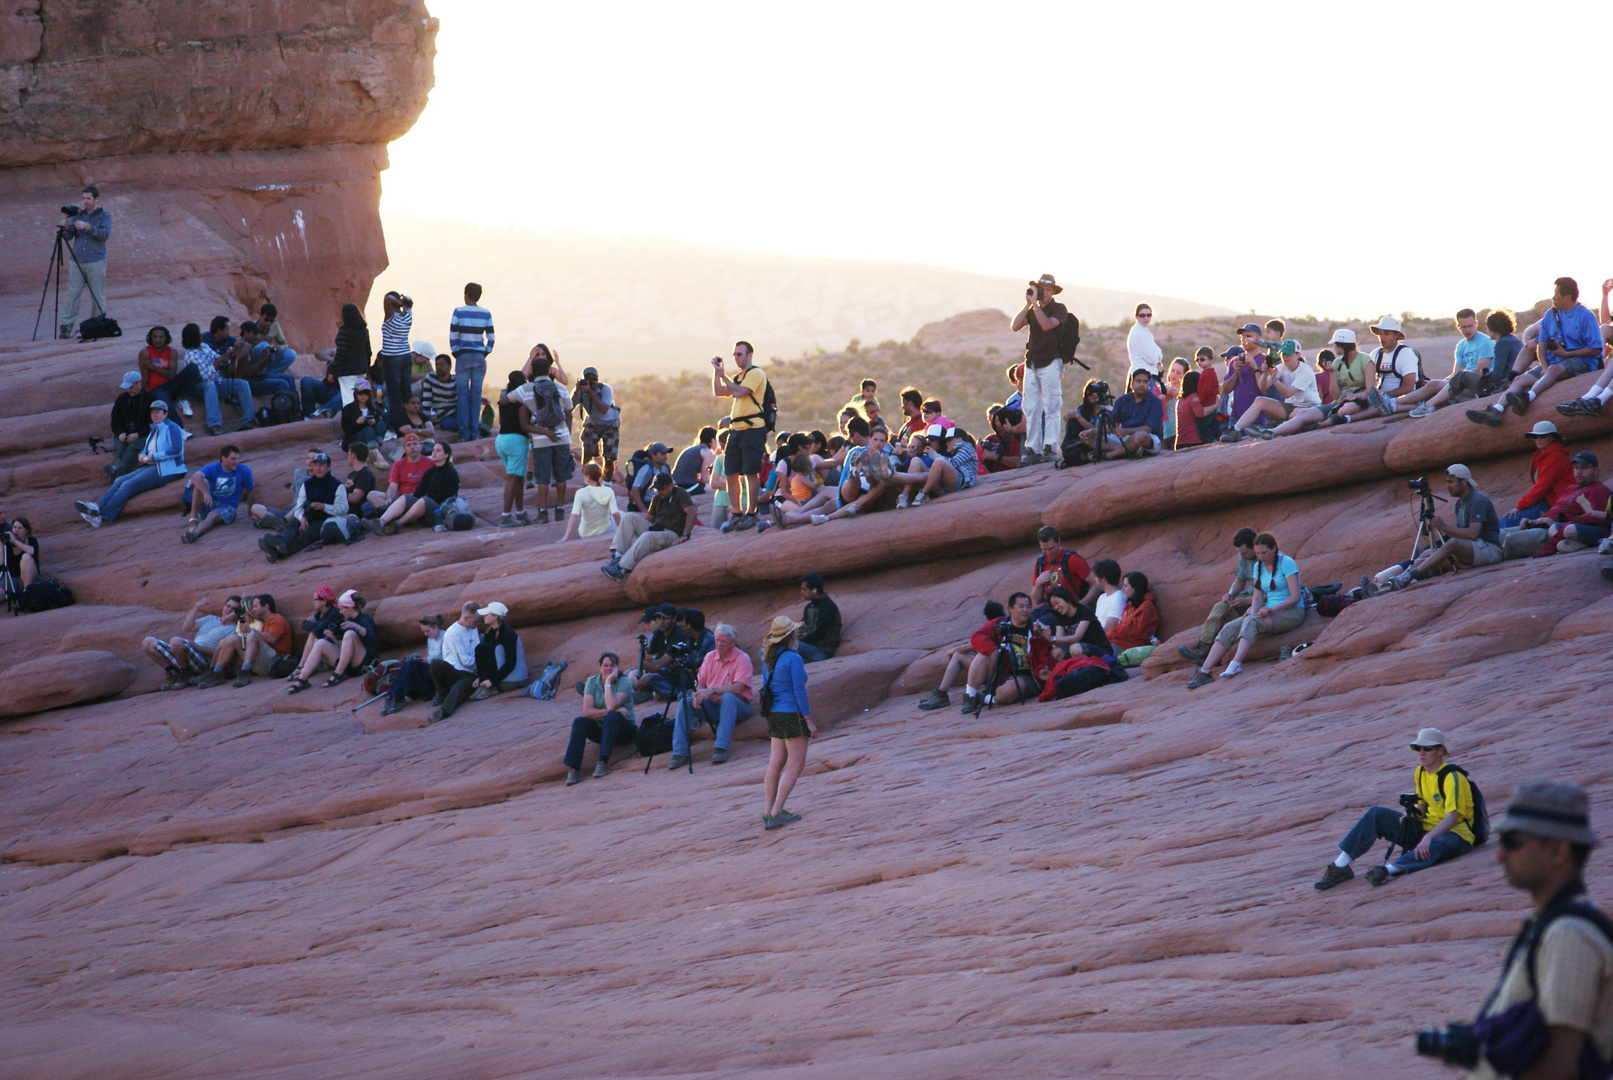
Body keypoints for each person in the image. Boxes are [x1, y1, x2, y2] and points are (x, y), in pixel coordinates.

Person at [1457, 781, 1610, 1080]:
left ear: (1556, 851)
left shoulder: (1569, 934)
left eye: (1513, 841)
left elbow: (1562, 1066)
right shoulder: (1554, 923)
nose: (1499, 855)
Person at [1313, 728, 1476, 890]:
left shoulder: (1453, 777)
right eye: (1417, 748)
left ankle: (1388, 870)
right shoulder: (1421, 772)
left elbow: (1452, 817)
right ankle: (1340, 866)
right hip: (1426, 830)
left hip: (1456, 835)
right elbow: (1423, 804)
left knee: (1440, 844)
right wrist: (1411, 814)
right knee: (1375, 814)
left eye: (1427, 748)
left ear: (1440, 750)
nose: (1421, 753)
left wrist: (1428, 838)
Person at [1470, 278, 1605, 427]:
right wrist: (1544, 365)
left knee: (1554, 370)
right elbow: (1542, 343)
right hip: (1555, 362)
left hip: (1582, 362)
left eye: (1556, 294)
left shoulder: (1585, 316)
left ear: (1568, 297)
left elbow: (1596, 348)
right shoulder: (1550, 315)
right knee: (1519, 380)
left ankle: (1527, 397)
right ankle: (1496, 409)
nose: (1553, 298)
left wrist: (1566, 355)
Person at [1186, 532, 1303, 687]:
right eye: (1258, 553)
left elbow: (1295, 596)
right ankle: (1204, 672)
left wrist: (1271, 609)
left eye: (1264, 552)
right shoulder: (1258, 567)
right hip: (1269, 611)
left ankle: (1235, 664)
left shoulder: (1286, 562)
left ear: (1274, 548)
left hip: (1291, 612)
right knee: (1230, 627)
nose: (1261, 556)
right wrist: (1254, 610)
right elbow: (1257, 597)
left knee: (1251, 622)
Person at [1383, 464, 1503, 589]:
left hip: (1489, 549)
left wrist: (1444, 527)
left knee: (1452, 543)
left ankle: (1411, 575)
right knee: (1429, 552)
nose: (1448, 486)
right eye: (1447, 482)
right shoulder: (1460, 503)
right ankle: (1396, 581)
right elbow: (1463, 533)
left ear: (1464, 481)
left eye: (1451, 482)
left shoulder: (1477, 500)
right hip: (1474, 549)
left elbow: (1473, 534)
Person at [74, 397, 187, 528]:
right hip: (153, 465)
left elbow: (177, 449)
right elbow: (146, 448)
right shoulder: (154, 430)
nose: (154, 415)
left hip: (169, 470)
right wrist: (142, 455)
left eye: (158, 412)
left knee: (128, 485)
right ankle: (96, 506)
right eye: (152, 412)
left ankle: (100, 517)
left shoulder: (172, 428)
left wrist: (154, 457)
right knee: (119, 480)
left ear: (166, 413)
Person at [669, 623, 755, 768]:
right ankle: (680, 753)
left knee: (728, 697)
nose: (719, 644)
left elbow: (739, 687)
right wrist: (699, 694)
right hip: (714, 706)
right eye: (717, 641)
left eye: (723, 641)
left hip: (739, 706)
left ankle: (721, 748)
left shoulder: (742, 658)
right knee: (686, 701)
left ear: (733, 643)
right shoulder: (710, 657)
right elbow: (701, 681)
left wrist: (711, 691)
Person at [759, 616, 816, 830]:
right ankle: (776, 814)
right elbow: (799, 691)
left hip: (773, 713)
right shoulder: (793, 659)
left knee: (775, 763)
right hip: (792, 713)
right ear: (791, 635)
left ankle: (768, 812)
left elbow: (767, 685)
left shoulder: (766, 657)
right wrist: (808, 720)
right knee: (795, 765)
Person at [954, 592, 1048, 713]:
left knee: (1010, 690)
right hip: (1004, 670)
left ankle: (984, 699)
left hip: (1028, 677)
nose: (1025, 610)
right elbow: (977, 636)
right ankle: (970, 697)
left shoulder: (1035, 628)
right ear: (1010, 609)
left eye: (1028, 606)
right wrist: (993, 651)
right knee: (982, 655)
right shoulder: (1002, 624)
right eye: (1021, 606)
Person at [1178, 528, 1260, 665]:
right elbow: (1240, 580)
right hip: (1247, 595)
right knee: (1221, 606)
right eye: (1240, 553)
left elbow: (1271, 595)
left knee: (1228, 617)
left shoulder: (1265, 559)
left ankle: (1209, 655)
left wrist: (1245, 601)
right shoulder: (1243, 557)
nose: (1243, 556)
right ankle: (1204, 646)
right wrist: (1230, 594)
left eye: (1245, 553)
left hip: (1259, 600)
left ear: (1254, 546)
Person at [1012, 274, 1070, 465]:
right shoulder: (1033, 309)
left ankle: (1051, 447)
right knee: (1031, 407)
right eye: (1041, 289)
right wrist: (1028, 304)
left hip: (1051, 361)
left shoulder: (1059, 309)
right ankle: (1033, 448)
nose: (1043, 293)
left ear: (1053, 291)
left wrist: (1036, 307)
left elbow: (1046, 325)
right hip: (1032, 362)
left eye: (1046, 290)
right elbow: (1015, 326)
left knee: (1052, 405)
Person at [711, 340, 769, 530]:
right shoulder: (737, 377)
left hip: (753, 428)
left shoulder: (756, 374)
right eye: (734, 354)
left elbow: (741, 392)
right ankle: (736, 513)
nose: (736, 358)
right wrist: (717, 373)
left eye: (739, 354)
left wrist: (723, 375)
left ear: (749, 355)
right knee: (730, 472)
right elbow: (719, 391)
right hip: (736, 430)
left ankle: (751, 513)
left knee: (751, 472)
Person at [1509, 452, 1611, 559]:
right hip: (1543, 525)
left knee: (1510, 541)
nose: (1579, 472)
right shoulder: (1571, 488)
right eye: (1576, 468)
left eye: (1584, 468)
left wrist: (1556, 523)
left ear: (1595, 470)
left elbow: (1594, 520)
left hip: (1554, 530)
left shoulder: (1599, 490)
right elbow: (1554, 511)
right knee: (1501, 535)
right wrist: (1534, 520)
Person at [257, 451, 354, 561]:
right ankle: (279, 542)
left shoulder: (337, 486)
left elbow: (343, 510)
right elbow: (299, 505)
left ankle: (278, 552)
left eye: (321, 465)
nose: (318, 468)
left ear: (328, 467)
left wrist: (324, 507)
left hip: (327, 520)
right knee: (292, 526)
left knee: (306, 534)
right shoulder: (307, 484)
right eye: (316, 465)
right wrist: (301, 517)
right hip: (308, 517)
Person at [513, 345, 573, 522]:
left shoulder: (527, 389)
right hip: (561, 436)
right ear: (549, 369)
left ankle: (542, 512)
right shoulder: (561, 389)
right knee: (561, 476)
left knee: (543, 478)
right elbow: (569, 413)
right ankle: (560, 510)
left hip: (540, 438)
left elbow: (506, 397)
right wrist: (567, 433)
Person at [1219, 340, 1323, 441]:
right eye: (1283, 354)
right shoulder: (1281, 367)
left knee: (1294, 413)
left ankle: (1270, 431)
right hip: (1291, 406)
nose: (1285, 357)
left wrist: (1275, 379)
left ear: (1298, 354)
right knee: (1260, 400)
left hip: (1309, 407)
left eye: (1288, 354)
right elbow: (1263, 387)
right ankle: (1235, 430)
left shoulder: (1305, 371)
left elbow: (1288, 393)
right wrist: (1264, 373)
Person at [601, 473, 695, 582]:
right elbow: (649, 519)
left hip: (672, 533)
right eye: (656, 489)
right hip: (658, 530)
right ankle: (618, 555)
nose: (659, 492)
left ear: (670, 485)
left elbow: (692, 511)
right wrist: (639, 531)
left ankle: (621, 568)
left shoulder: (680, 494)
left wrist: (685, 534)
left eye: (661, 489)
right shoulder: (657, 498)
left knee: (647, 536)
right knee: (629, 516)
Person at [916, 600, 1007, 711]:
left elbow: (979, 645)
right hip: (1003, 672)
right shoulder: (1004, 624)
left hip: (999, 674)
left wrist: (954, 650)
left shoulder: (992, 626)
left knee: (958, 656)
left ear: (986, 617)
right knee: (971, 653)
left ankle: (941, 694)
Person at [1408, 308, 1498, 417]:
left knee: (1434, 385)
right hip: (1461, 382)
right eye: (1464, 327)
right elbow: (1456, 372)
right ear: (1458, 326)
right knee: (1432, 386)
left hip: (1478, 384)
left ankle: (1421, 406)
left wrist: (1451, 382)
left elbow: (1479, 372)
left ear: (1476, 323)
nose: (1468, 330)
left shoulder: (1485, 341)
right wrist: (1447, 380)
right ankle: (1394, 403)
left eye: (1470, 326)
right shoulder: (1461, 346)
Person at [564, 651, 638, 784]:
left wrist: (608, 682)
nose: (609, 669)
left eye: (612, 665)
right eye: (605, 665)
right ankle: (573, 770)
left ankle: (602, 763)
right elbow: (587, 712)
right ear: (600, 667)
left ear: (617, 667)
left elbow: (612, 705)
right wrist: (610, 711)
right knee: (579, 722)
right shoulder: (592, 682)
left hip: (624, 730)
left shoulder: (624, 682)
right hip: (604, 729)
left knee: (613, 716)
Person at [142, 595, 244, 691]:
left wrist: (198, 647)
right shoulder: (210, 618)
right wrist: (196, 606)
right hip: (188, 653)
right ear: (224, 606)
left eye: (233, 609)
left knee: (176, 641)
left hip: (204, 660)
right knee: (148, 642)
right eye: (228, 606)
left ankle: (186, 674)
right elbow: (187, 627)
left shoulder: (233, 629)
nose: (229, 610)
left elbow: (223, 653)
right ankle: (173, 674)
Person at [286, 591, 377, 692]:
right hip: (348, 665)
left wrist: (356, 626)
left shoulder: (365, 619)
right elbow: (345, 648)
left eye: (342, 609)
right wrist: (333, 638)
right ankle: (302, 679)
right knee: (321, 643)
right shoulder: (345, 621)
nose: (340, 612)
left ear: (350, 608)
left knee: (349, 634)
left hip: (363, 664)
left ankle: (338, 674)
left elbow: (371, 638)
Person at [196, 594, 291, 688]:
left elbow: (272, 639)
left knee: (252, 635)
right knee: (229, 640)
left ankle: (245, 671)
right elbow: (247, 612)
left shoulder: (277, 620)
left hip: (275, 661)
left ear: (266, 607)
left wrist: (250, 630)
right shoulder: (265, 620)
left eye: (255, 606)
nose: (253, 609)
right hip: (260, 660)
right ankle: (215, 672)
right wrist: (233, 614)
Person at [56, 185, 112, 340]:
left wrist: (88, 227)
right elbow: (68, 237)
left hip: (95, 260)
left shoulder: (104, 216)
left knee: (97, 294)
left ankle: (98, 323)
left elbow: (104, 234)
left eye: (88, 198)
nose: (85, 201)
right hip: (77, 260)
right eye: (84, 198)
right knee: (72, 293)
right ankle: (66, 326)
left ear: (96, 199)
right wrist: (66, 224)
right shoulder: (77, 215)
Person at [178, 322, 255, 436]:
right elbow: (206, 377)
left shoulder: (204, 346)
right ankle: (214, 425)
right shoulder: (191, 355)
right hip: (199, 387)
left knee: (242, 384)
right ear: (193, 337)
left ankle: (248, 421)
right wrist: (219, 362)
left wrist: (228, 356)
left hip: (216, 381)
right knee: (210, 386)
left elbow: (216, 357)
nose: (201, 335)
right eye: (198, 334)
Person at [373, 441, 457, 535]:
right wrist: (413, 506)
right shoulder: (429, 472)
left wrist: (420, 506)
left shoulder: (450, 473)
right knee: (406, 497)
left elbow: (443, 497)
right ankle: (380, 522)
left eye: (438, 451)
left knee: (424, 500)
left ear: (446, 455)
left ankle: (397, 524)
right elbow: (418, 493)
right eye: (433, 450)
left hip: (441, 512)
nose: (434, 452)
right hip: (425, 509)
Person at [1502, 421, 1575, 528]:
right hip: (1546, 501)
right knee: (1509, 520)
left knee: (1509, 521)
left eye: (1542, 436)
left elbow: (1542, 486)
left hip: (1556, 505)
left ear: (1552, 437)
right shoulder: (1542, 455)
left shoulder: (1555, 456)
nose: (1538, 439)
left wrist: (1519, 506)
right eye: (1535, 437)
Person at [180, 444, 256, 544]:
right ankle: (193, 519)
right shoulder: (214, 467)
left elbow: (251, 491)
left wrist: (250, 513)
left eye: (237, 459)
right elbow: (195, 477)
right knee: (200, 484)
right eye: (233, 459)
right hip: (211, 502)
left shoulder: (244, 470)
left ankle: (194, 534)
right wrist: (206, 493)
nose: (236, 462)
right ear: (223, 458)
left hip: (228, 507)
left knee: (213, 516)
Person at [449, 283, 495, 439]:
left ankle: (464, 432)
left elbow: (453, 336)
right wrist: (484, 352)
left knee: (462, 395)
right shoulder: (486, 313)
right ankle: (474, 431)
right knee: (476, 395)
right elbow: (491, 338)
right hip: (478, 357)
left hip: (463, 356)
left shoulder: (458, 312)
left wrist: (456, 352)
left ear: (466, 294)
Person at [380, 614, 445, 717]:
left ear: (436, 627)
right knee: (408, 665)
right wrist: (426, 660)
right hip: (430, 668)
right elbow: (430, 656)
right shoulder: (430, 639)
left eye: (427, 631)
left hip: (439, 673)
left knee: (411, 666)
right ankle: (393, 696)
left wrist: (430, 662)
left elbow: (449, 661)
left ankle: (396, 697)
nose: (425, 634)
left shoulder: (446, 638)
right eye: (423, 631)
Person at [427, 602, 482, 723]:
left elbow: (478, 651)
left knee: (462, 684)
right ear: (466, 617)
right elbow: (464, 661)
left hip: (470, 674)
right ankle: (442, 692)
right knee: (436, 664)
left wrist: (481, 673)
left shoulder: (473, 628)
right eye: (476, 621)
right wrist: (481, 664)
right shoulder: (453, 632)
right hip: (456, 670)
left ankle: (444, 711)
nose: (478, 624)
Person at [314, 303, 373, 409]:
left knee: (348, 400)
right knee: (358, 398)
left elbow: (341, 353)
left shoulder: (344, 331)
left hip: (347, 371)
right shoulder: (364, 331)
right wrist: (367, 369)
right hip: (361, 370)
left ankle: (349, 422)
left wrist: (332, 371)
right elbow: (368, 352)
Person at [494, 370, 533, 527]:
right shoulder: (521, 403)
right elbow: (524, 425)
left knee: (518, 477)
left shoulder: (503, 400)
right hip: (517, 440)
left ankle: (520, 512)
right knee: (512, 478)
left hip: (501, 439)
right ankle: (506, 516)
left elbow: (501, 420)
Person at [466, 601, 527, 700]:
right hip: (501, 679)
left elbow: (510, 663)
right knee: (481, 648)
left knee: (484, 648)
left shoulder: (508, 634)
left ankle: (490, 688)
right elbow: (485, 658)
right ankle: (485, 687)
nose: (484, 616)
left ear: (495, 617)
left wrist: (492, 681)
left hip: (514, 680)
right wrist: (480, 677)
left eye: (487, 614)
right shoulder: (490, 632)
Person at [905, 424, 978, 507]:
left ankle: (923, 494)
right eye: (928, 440)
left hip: (962, 481)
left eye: (949, 440)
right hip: (944, 484)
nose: (947, 443)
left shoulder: (966, 447)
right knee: (916, 461)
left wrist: (933, 454)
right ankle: (904, 495)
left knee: (938, 462)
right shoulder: (952, 451)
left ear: (959, 439)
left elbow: (953, 463)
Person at [572, 365, 621, 482]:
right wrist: (577, 391)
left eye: (593, 379)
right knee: (587, 450)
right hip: (593, 422)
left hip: (610, 423)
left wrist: (590, 393)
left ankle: (607, 483)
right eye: (587, 379)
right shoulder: (581, 390)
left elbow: (603, 409)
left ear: (597, 380)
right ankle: (587, 479)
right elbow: (570, 407)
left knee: (609, 457)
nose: (591, 382)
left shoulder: (605, 389)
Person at [1031, 525, 1097, 607]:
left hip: (1068, 607)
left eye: (1051, 548)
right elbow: (1036, 600)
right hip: (1048, 608)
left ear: (1058, 541)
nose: (1048, 553)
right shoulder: (1041, 562)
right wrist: (1038, 585)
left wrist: (1081, 605)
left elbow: (1097, 583)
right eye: (1044, 549)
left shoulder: (1072, 559)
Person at [1104, 369, 1165, 456]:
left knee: (1141, 436)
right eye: (1138, 381)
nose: (1141, 384)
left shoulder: (1155, 402)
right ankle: (1131, 449)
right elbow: (1111, 423)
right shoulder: (1122, 400)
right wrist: (1093, 431)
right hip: (1125, 438)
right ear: (1131, 384)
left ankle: (1114, 453)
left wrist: (1126, 431)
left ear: (1149, 385)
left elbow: (1149, 428)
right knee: (1092, 438)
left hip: (1147, 438)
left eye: (1145, 382)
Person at [377, 291, 414, 431]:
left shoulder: (391, 316)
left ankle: (395, 426)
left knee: (393, 393)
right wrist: (405, 302)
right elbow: (409, 300)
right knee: (406, 390)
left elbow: (387, 299)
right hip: (406, 355)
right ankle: (409, 420)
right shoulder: (407, 314)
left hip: (392, 357)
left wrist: (398, 301)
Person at [106, 370, 153, 479]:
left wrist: (138, 434)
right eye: (127, 387)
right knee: (119, 447)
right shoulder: (122, 399)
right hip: (125, 433)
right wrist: (120, 432)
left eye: (131, 387)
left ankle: (116, 470)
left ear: (139, 383)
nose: (128, 390)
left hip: (142, 434)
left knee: (133, 448)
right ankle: (117, 470)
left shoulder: (150, 399)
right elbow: (115, 421)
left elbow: (153, 424)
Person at [1108, 572, 1159, 666]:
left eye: (1126, 586)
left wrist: (1109, 634)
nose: (1123, 589)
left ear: (1135, 588)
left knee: (1102, 650)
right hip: (1122, 643)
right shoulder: (1130, 606)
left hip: (1133, 647)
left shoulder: (1147, 606)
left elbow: (1133, 630)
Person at [561, 462, 622, 540]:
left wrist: (566, 536)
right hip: (605, 531)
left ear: (588, 477)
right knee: (622, 514)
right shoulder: (609, 491)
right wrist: (621, 531)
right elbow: (615, 514)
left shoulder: (580, 493)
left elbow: (574, 514)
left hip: (585, 534)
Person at [796, 573, 841, 663]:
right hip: (809, 648)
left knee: (784, 645)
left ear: (814, 590)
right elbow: (801, 627)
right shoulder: (809, 607)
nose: (801, 592)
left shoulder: (828, 607)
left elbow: (817, 634)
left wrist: (793, 641)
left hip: (822, 651)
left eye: (804, 589)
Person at [629, 443, 673, 513]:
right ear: (653, 455)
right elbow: (634, 491)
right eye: (662, 454)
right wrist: (644, 511)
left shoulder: (665, 467)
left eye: (666, 454)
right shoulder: (647, 469)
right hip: (649, 504)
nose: (666, 457)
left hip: (663, 502)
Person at [672, 426, 716, 494]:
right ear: (712, 440)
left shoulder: (691, 449)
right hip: (688, 487)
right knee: (717, 489)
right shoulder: (707, 452)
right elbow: (704, 479)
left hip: (676, 485)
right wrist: (718, 480)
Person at [418, 353, 457, 429]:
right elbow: (427, 402)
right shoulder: (430, 378)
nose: (439, 367)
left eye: (442, 365)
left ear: (449, 367)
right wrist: (425, 422)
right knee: (447, 424)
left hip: (457, 412)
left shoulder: (456, 380)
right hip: (443, 416)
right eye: (437, 365)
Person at [3, 515, 40, 592]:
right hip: (12, 580)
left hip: (30, 578)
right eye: (14, 527)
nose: (16, 530)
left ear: (26, 530)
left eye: (20, 528)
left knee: (26, 557)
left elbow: (32, 551)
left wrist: (15, 541)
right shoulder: (7, 544)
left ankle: (26, 592)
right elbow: (1, 562)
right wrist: (0, 545)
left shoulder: (32, 541)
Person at [1174, 370, 1208, 449]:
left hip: (1180, 442)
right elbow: (1200, 413)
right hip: (1194, 441)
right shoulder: (1194, 397)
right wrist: (1215, 405)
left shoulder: (1180, 400)